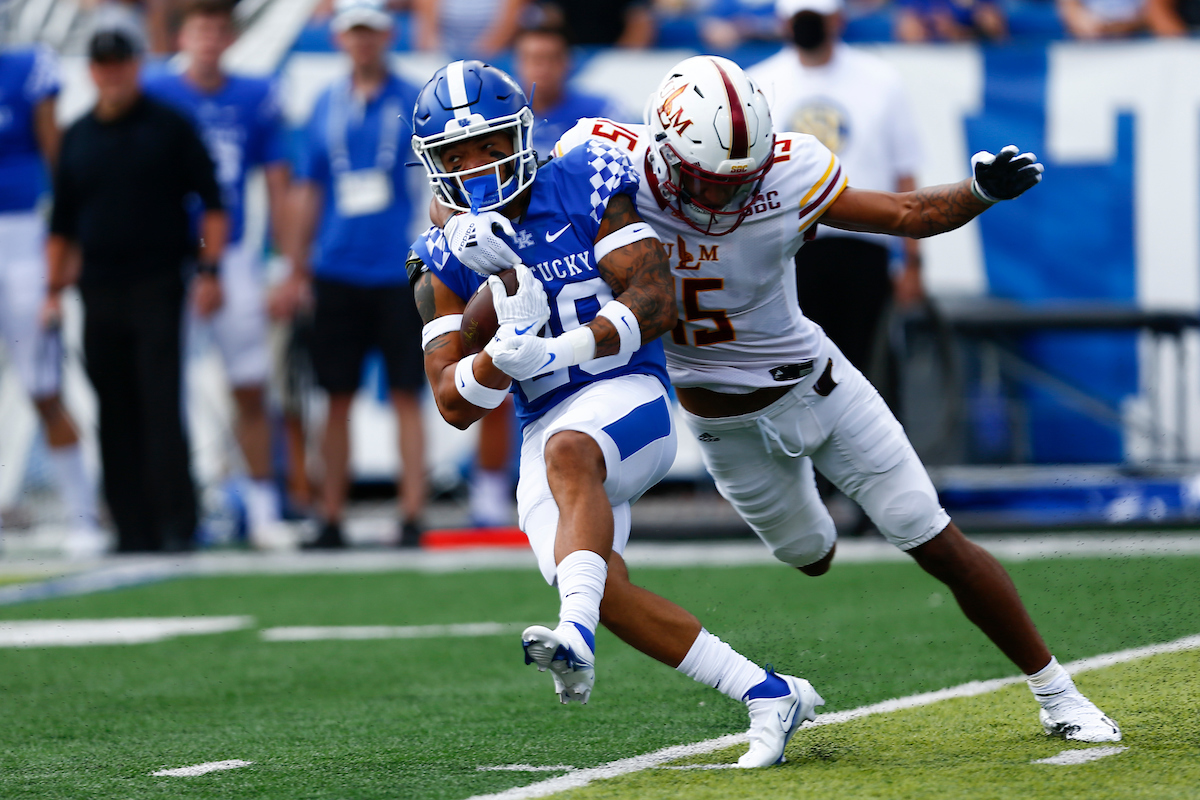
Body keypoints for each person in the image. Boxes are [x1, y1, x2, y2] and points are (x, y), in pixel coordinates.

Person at [462, 54, 1121, 745]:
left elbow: (905, 211)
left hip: (818, 384)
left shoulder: (787, 168)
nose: (727, 197)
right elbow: (505, 191)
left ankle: (1059, 694)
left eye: (740, 180)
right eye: (709, 182)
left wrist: (977, 193)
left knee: (933, 538)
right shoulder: (602, 164)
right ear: (661, 151)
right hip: (726, 426)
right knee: (810, 554)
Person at [410, 59, 823, 768]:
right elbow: (452, 403)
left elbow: (657, 299)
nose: (476, 167)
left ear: (521, 136)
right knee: (606, 582)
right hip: (543, 425)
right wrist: (500, 359)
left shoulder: (583, 179)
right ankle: (768, 693)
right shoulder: (438, 256)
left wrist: (560, 346)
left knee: (572, 463)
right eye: (457, 155)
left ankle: (574, 636)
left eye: (488, 146)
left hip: (630, 396)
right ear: (434, 165)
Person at [46, 24, 227, 553]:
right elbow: (61, 225)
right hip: (97, 287)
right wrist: (51, 291)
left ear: (135, 65)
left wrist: (210, 270)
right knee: (112, 404)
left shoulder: (169, 126)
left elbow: (212, 202)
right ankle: (130, 526)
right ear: (92, 71)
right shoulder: (77, 135)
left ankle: (176, 522)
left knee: (159, 400)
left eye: (120, 62)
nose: (112, 73)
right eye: (103, 64)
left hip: (157, 282)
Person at [274, 0, 427, 549]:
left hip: (396, 267)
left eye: (370, 32)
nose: (362, 42)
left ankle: (412, 513)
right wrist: (296, 268)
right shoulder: (324, 104)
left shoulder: (411, 101)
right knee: (334, 395)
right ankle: (331, 513)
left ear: (386, 36)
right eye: (352, 33)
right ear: (341, 39)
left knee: (408, 393)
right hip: (335, 266)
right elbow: (307, 188)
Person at [143, 0, 288, 545]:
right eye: (200, 28)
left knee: (248, 384)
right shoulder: (159, 90)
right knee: (162, 388)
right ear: (184, 35)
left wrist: (284, 261)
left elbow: (278, 180)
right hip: (168, 257)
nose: (209, 38)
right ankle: (176, 505)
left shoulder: (254, 94)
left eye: (218, 28)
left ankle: (263, 507)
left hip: (232, 255)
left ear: (229, 36)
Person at [750, 0, 924, 384]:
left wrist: (912, 262)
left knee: (870, 369)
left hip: (865, 245)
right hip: (789, 251)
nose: (808, 24)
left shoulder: (881, 80)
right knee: (798, 373)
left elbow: (904, 172)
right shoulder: (757, 85)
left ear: (838, 18)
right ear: (783, 21)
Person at [0, 42, 105, 557]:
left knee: (42, 384)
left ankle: (82, 513)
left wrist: (68, 245)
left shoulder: (26, 67)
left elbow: (56, 158)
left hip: (20, 235)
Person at [513, 24, 625, 160]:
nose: (543, 67)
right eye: (534, 59)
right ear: (517, 63)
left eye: (552, 58)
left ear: (568, 62)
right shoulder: (500, 112)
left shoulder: (601, 112)